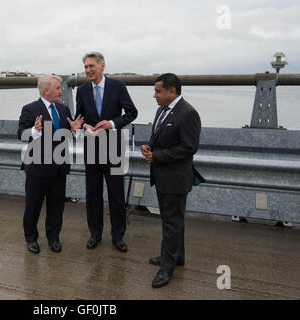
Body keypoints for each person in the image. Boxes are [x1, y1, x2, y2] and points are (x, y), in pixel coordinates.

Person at [140, 73, 205, 288]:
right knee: (173, 221)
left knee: (171, 223)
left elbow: (188, 148)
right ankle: (177, 257)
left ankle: (166, 268)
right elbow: (159, 135)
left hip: (175, 178)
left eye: (158, 91)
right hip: (162, 176)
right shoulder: (162, 110)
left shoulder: (188, 114)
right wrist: (149, 146)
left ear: (172, 91)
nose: (155, 95)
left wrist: (157, 156)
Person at [75, 52, 138, 252]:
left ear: (102, 66)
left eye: (91, 66)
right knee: (93, 194)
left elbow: (131, 112)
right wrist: (84, 126)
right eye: (85, 67)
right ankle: (95, 233)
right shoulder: (82, 89)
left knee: (116, 195)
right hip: (92, 147)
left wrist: (112, 124)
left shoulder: (118, 86)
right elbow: (80, 116)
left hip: (114, 148)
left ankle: (118, 235)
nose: (87, 70)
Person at [17, 75, 83, 254]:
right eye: (58, 88)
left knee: (57, 206)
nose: (62, 91)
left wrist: (76, 131)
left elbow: (69, 134)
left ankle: (54, 237)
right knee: (33, 205)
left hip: (59, 168)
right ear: (46, 90)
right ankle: (31, 238)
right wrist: (34, 130)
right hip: (37, 168)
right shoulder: (30, 109)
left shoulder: (63, 109)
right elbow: (21, 134)